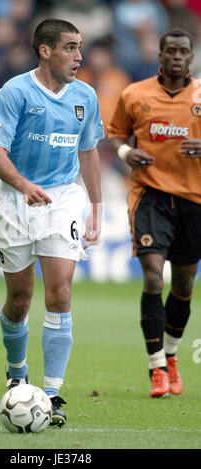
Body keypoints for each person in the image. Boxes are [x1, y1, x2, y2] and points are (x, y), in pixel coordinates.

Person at [0, 18, 104, 425]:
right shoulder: (14, 92)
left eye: (80, 46)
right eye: (70, 47)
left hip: (63, 199)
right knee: (19, 301)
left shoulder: (85, 96)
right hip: (16, 200)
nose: (79, 56)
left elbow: (88, 151)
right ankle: (17, 374)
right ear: (45, 50)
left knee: (61, 293)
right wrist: (24, 184)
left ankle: (51, 393)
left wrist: (96, 207)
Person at [108, 28, 201, 398]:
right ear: (159, 56)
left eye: (183, 51)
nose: (177, 57)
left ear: (190, 57)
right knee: (152, 277)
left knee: (183, 285)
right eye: (170, 51)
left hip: (194, 200)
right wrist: (126, 154)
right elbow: (115, 133)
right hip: (150, 196)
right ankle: (156, 366)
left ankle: (172, 354)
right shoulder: (134, 94)